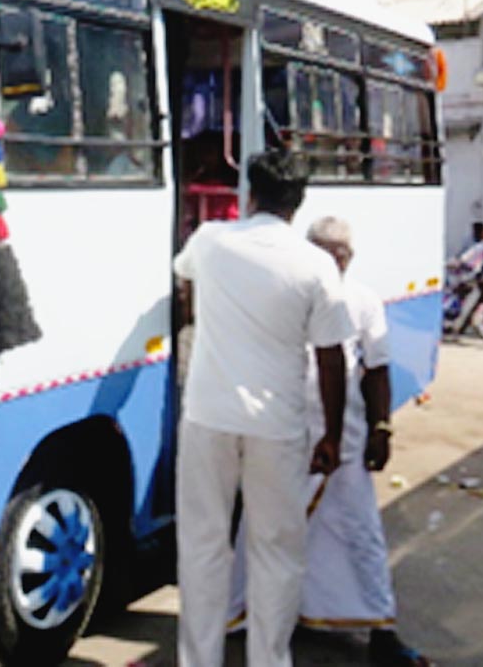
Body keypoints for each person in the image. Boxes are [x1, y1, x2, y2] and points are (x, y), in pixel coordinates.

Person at [173, 149, 352, 667]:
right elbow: (332, 358)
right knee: (276, 552)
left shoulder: (210, 240)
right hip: (277, 427)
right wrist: (332, 435)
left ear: (250, 194)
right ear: (299, 202)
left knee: (203, 546)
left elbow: (184, 278)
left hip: (208, 417)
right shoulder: (316, 265)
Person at [226, 216, 431, 666]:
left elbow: (375, 369)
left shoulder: (363, 301)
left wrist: (381, 428)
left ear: (349, 258)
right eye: (321, 253)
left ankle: (381, 631)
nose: (331, 262)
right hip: (282, 436)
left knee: (358, 532)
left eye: (339, 254)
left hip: (345, 442)